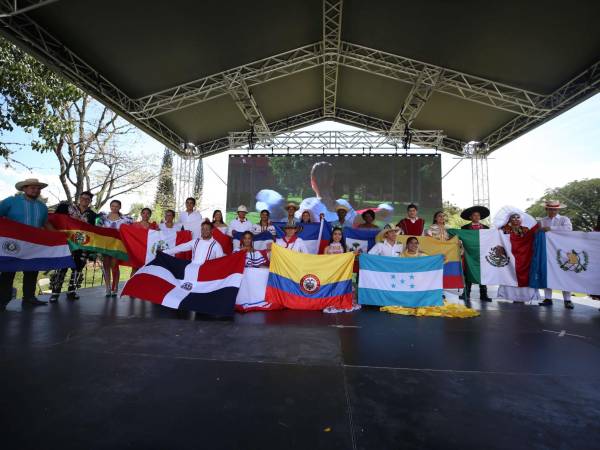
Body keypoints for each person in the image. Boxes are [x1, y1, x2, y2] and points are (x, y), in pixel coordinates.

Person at [0, 178, 52, 308]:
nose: (36, 190)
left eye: (38, 188)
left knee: (32, 271)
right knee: (8, 272)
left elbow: (45, 224)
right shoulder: (10, 201)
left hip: (33, 245)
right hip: (12, 244)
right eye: (32, 187)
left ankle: (29, 297)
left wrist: (60, 236)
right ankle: (2, 301)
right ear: (24, 188)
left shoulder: (42, 207)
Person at [49, 190, 98, 303]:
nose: (84, 200)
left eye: (87, 199)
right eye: (83, 198)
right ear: (79, 198)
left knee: (78, 268)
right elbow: (56, 220)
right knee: (61, 267)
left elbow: (95, 231)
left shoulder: (93, 215)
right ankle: (55, 293)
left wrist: (93, 251)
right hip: (66, 243)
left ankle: (72, 291)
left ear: (90, 201)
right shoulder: (67, 209)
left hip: (83, 244)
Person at [495, 210, 540, 304]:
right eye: (513, 217)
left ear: (521, 219)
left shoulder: (525, 230)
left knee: (525, 276)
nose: (515, 219)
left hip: (525, 258)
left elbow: (531, 237)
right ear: (509, 219)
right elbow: (496, 238)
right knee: (510, 275)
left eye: (518, 217)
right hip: (509, 258)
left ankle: (523, 297)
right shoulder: (504, 229)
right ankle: (513, 297)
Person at [537, 200, 575, 309]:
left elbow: (568, 229)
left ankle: (567, 299)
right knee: (548, 273)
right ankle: (548, 298)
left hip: (563, 250)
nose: (553, 211)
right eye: (550, 209)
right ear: (546, 209)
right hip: (548, 251)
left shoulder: (564, 219)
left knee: (565, 273)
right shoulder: (542, 221)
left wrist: (551, 228)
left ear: (558, 210)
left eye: (555, 209)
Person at [96, 199, 133, 297]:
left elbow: (133, 230)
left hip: (117, 247)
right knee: (106, 266)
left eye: (117, 206)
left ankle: (115, 287)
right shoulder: (102, 218)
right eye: (112, 206)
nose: (114, 208)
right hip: (105, 246)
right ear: (110, 207)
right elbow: (96, 230)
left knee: (115, 266)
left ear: (120, 207)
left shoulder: (126, 220)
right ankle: (107, 287)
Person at [459, 205, 492, 302]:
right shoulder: (464, 228)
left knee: (482, 274)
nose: (476, 217)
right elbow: (461, 239)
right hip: (469, 254)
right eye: (474, 215)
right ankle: (466, 293)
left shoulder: (486, 228)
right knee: (468, 273)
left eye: (478, 215)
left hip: (482, 255)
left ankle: (484, 294)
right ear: (470, 217)